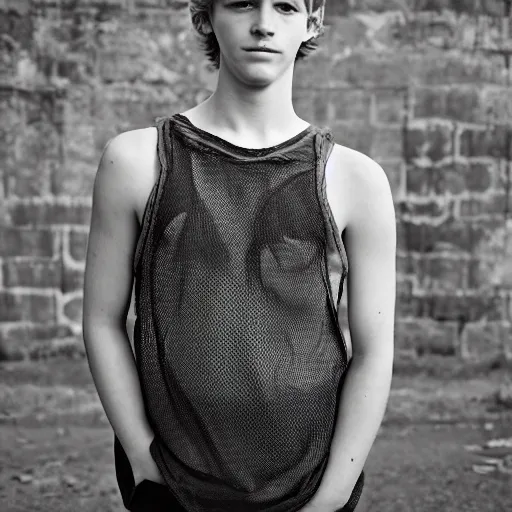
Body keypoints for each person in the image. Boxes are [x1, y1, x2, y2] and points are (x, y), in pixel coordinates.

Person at [82, 0, 396, 511]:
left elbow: (374, 350)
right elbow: (101, 320)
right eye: (242, 3)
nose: (263, 23)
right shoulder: (136, 161)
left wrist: (332, 496)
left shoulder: (355, 179)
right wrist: (144, 461)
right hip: (173, 476)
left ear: (312, 21)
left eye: (286, 6)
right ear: (203, 15)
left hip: (309, 480)